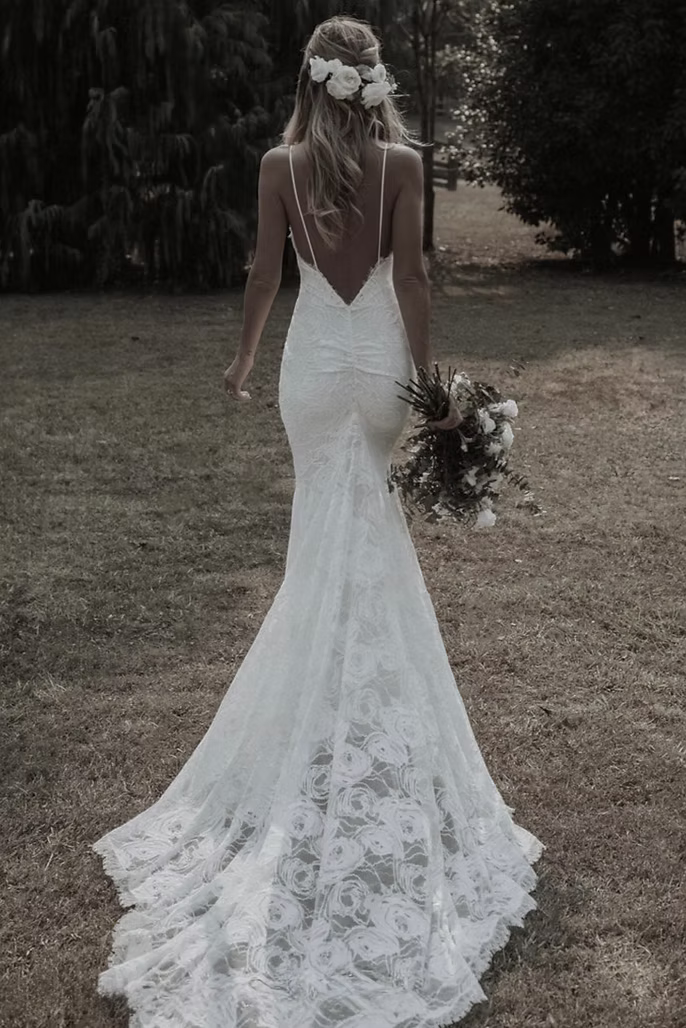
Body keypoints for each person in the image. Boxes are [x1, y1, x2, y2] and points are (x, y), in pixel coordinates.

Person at [92, 16, 544, 1028]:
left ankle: (318, 721)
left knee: (318, 552)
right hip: (378, 370)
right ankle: (352, 717)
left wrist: (246, 359)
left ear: (310, 80)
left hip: (311, 369)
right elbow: (414, 279)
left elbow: (265, 276)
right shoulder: (402, 161)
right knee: (366, 540)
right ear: (372, 80)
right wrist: (431, 387)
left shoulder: (276, 165)